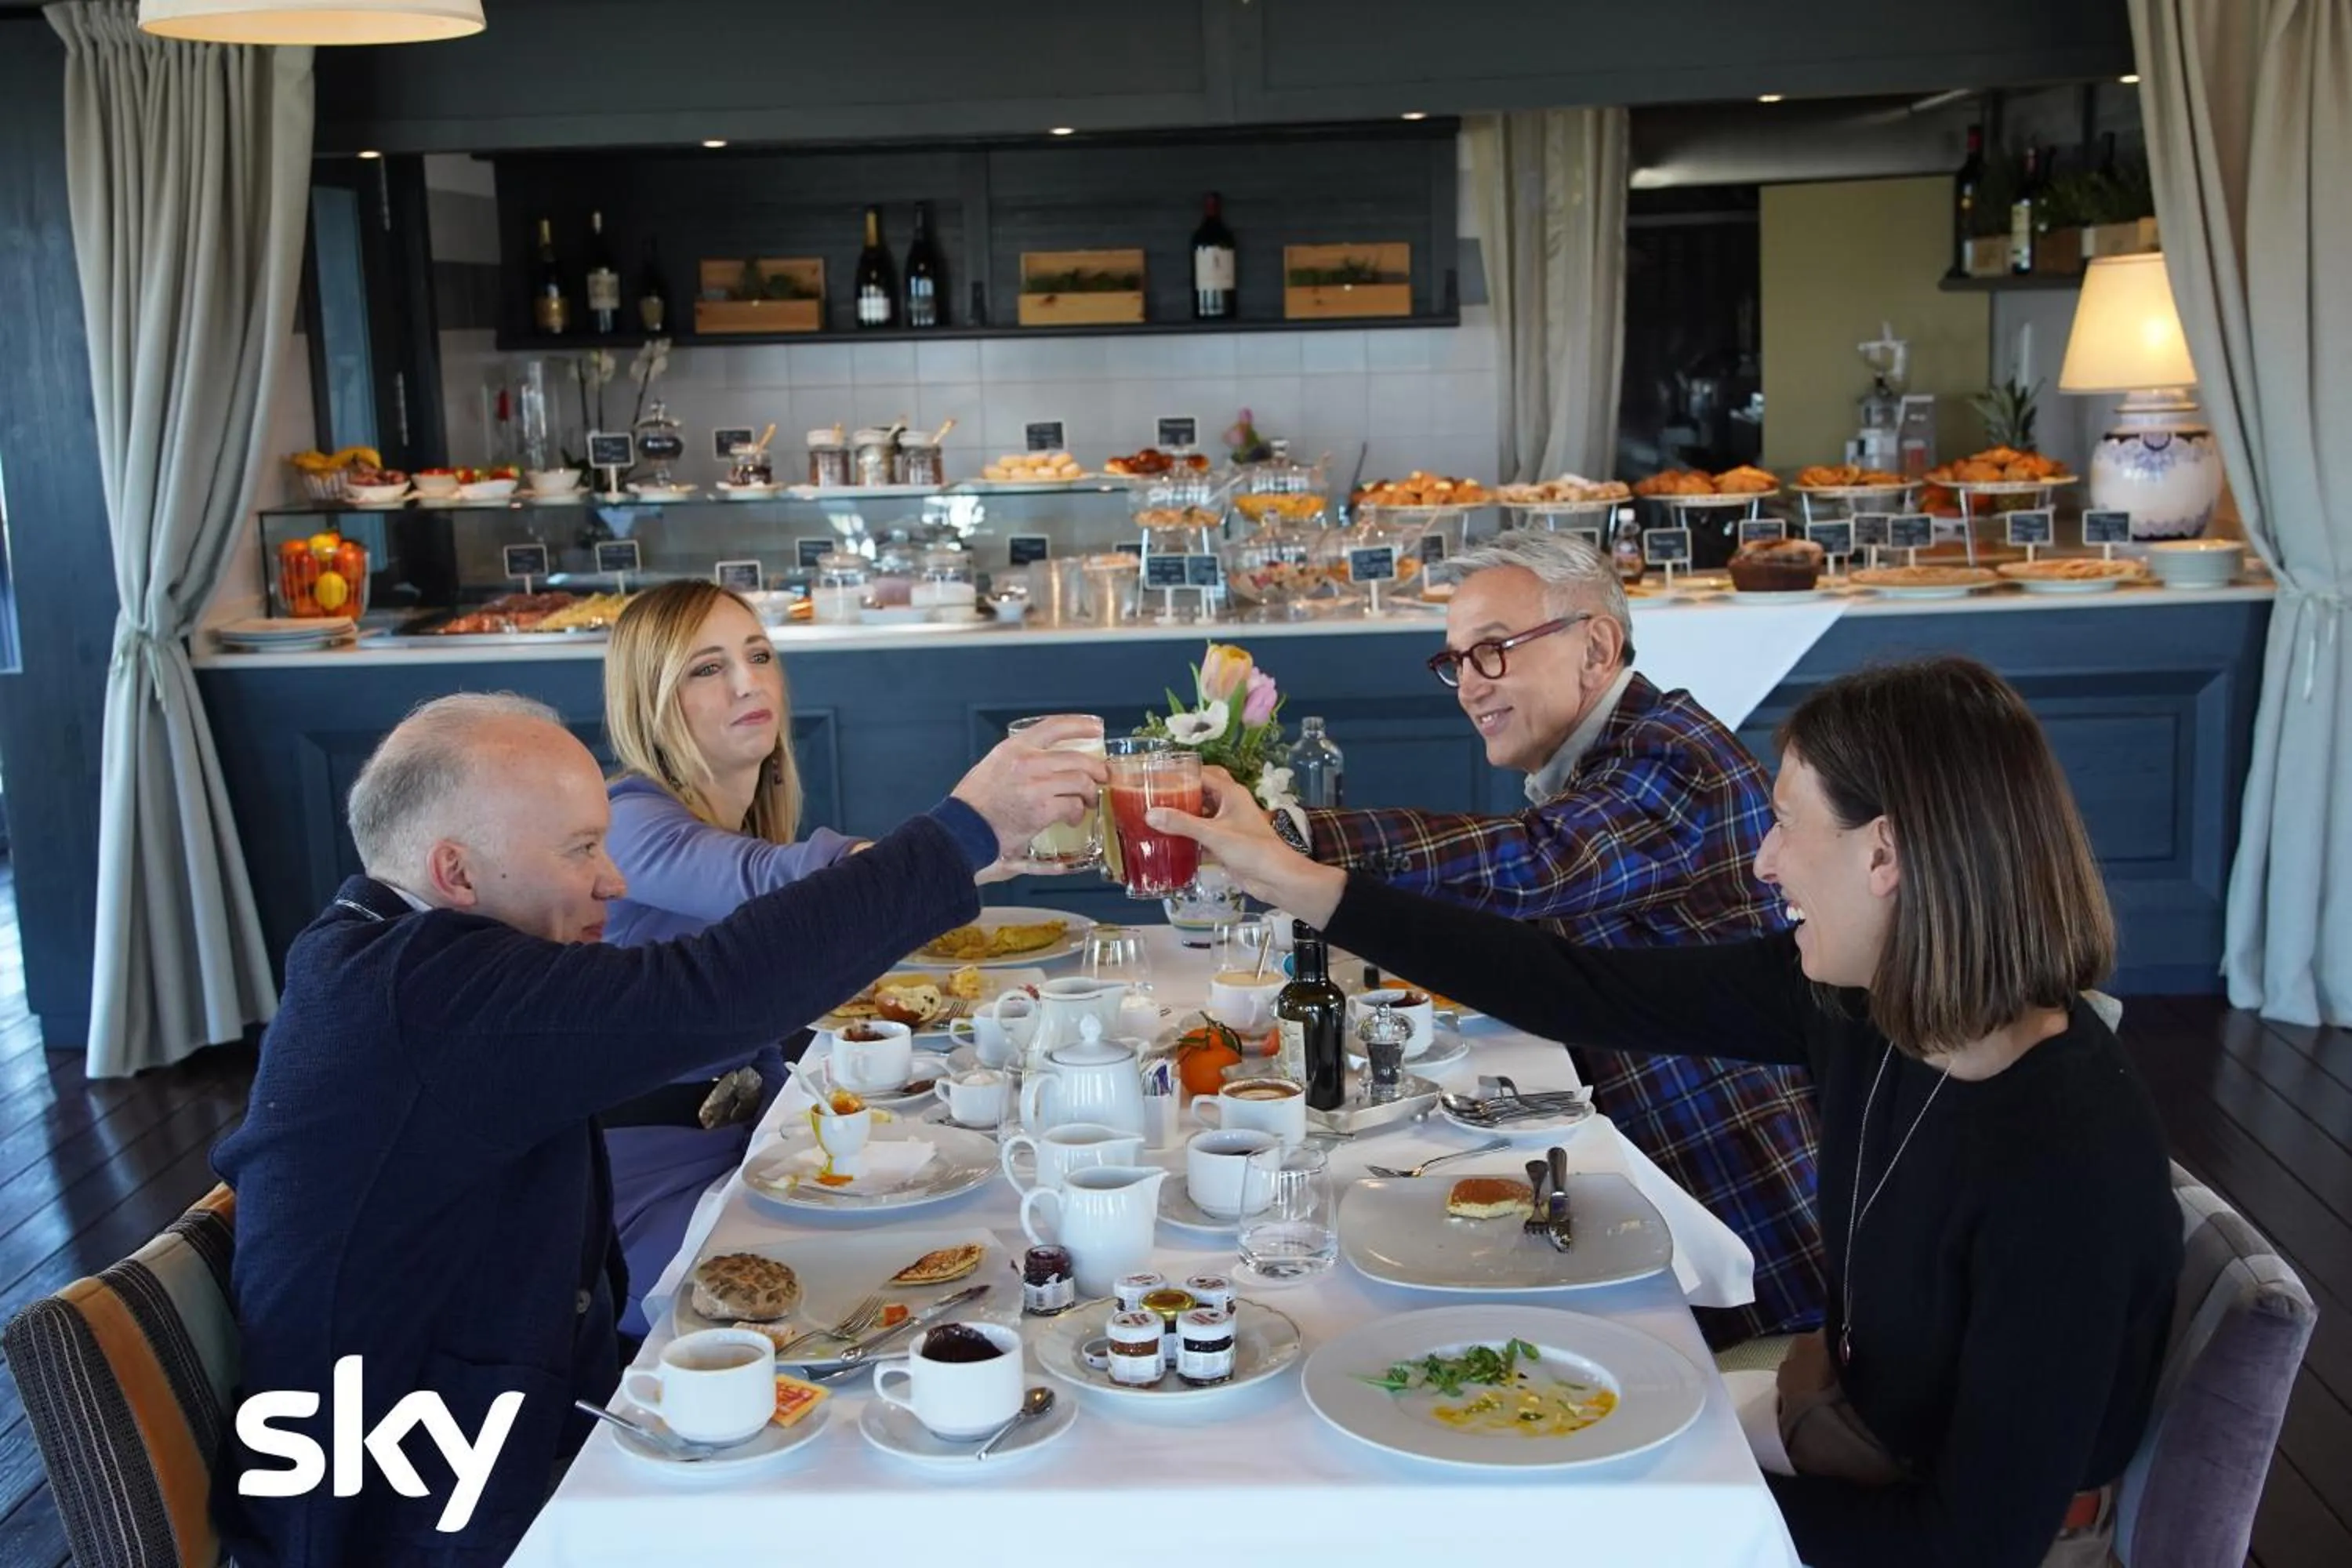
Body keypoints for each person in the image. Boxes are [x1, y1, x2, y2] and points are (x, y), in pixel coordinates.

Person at [1155, 656, 2180, 1568]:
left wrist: (1622, 1524)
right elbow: (1579, 986)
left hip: (1931, 1530)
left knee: (1476, 1510)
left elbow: (1972, 1543)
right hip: (1848, 1435)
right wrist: (1294, 879)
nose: (1766, 862)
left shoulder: (2061, 1162)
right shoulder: (1871, 1003)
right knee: (1431, 1459)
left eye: (1785, 822)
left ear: (1888, 856)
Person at [211, 693, 1102, 1566]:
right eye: (581, 849)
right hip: (421, 1514)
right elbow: (710, 990)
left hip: (486, 1437)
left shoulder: (387, 959)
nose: (614, 878)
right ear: (456, 873)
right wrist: (960, 831)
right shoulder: (425, 992)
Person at [1271, 530, 1823, 1346]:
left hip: (1752, 1232)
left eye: (1491, 651)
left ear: (1595, 643)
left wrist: (1296, 835)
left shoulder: (1671, 755)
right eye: (1454, 661)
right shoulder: (1615, 755)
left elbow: (1538, 866)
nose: (1466, 685)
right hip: (1670, 1185)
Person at [592, 580, 862, 1338]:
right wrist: (969, 840)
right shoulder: (629, 820)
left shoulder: (743, 825)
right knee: (841, 1308)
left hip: (739, 1158)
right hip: (632, 1192)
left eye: (759, 655)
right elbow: (772, 887)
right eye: (706, 668)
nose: (749, 683)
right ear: (650, 699)